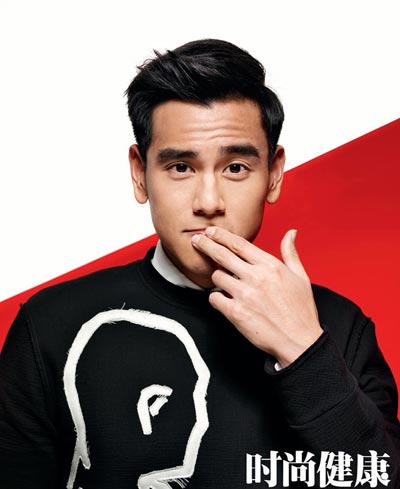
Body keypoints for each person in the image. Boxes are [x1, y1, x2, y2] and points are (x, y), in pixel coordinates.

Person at [0, 39, 399, 489]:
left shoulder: (340, 327)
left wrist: (304, 351)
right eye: (180, 168)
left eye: (235, 168)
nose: (208, 202)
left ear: (274, 173)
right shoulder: (51, 325)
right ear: (140, 173)